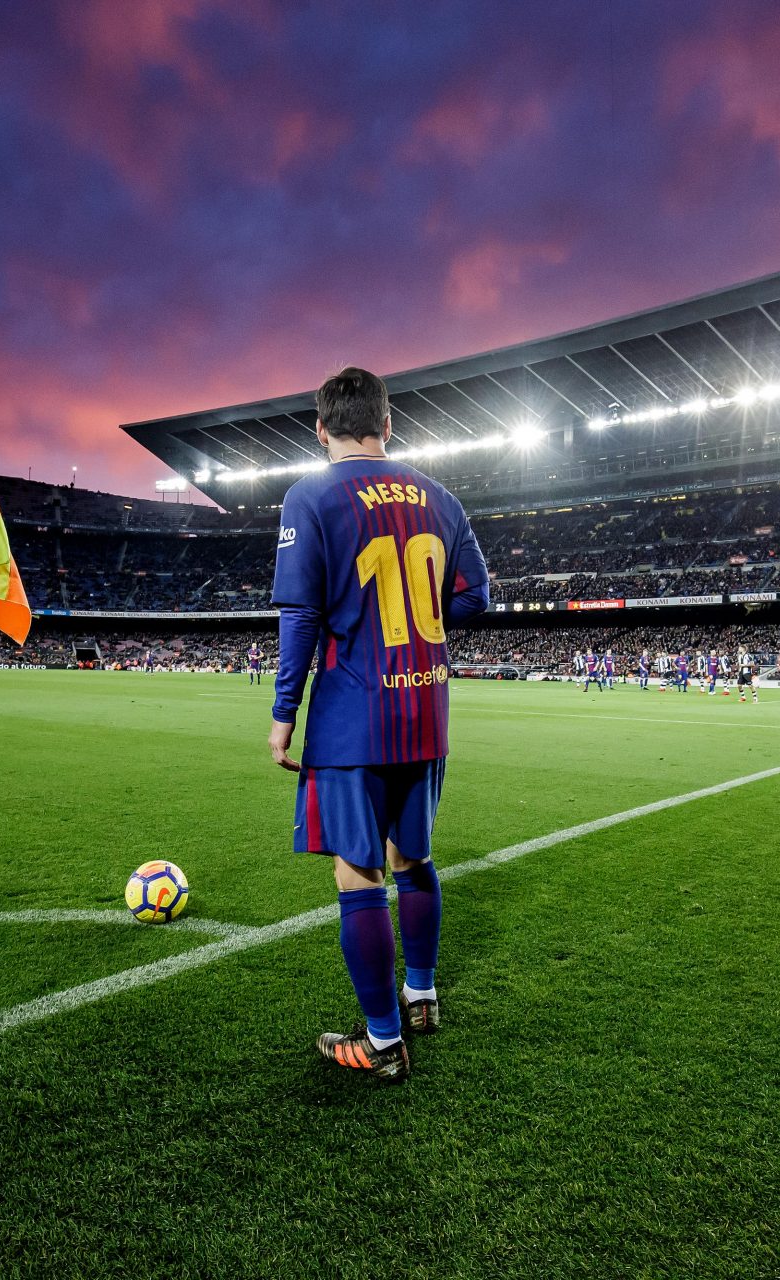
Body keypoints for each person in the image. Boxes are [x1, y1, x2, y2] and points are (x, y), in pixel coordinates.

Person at [268, 367, 490, 1083]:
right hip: (424, 705)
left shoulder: (310, 496)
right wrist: (416, 622)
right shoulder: (440, 496)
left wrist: (282, 715)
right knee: (414, 858)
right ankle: (421, 995)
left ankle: (384, 1042)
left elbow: (301, 616)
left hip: (351, 716)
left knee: (357, 874)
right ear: (388, 425)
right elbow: (474, 599)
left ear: (321, 429)